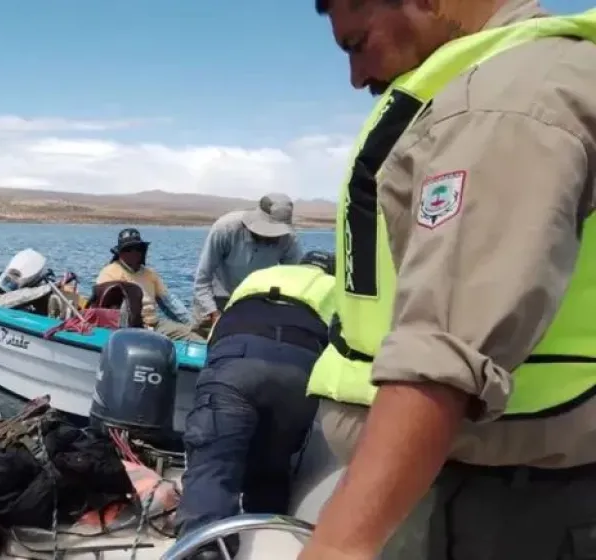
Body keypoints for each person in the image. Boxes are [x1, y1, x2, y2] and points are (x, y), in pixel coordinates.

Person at [299, 1, 596, 559]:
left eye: (356, 44)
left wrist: (339, 545)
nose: (356, 77)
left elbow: (442, 353)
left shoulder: (506, 100)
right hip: (451, 485)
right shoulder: (504, 82)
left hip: (502, 512)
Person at [175, 251, 337, 559]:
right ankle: (268, 541)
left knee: (214, 463)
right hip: (300, 368)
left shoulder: (258, 277)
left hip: (235, 359)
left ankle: (205, 550)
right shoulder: (335, 288)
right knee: (273, 465)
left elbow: (219, 331)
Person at [191, 193, 304, 331]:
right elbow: (202, 280)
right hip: (215, 298)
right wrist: (214, 314)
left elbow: (295, 282)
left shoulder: (289, 239)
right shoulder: (225, 228)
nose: (269, 236)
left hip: (255, 302)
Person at [94, 228, 203, 341]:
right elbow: (103, 309)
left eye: (138, 249)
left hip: (155, 325)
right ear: (120, 252)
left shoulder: (150, 274)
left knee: (196, 338)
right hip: (128, 329)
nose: (134, 252)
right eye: (129, 249)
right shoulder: (109, 273)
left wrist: (193, 325)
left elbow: (170, 303)